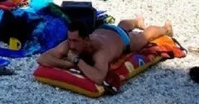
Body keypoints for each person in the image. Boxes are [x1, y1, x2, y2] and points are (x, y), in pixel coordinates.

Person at [37, 17, 173, 85]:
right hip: (104, 29)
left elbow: (98, 77)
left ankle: (166, 29)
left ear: (86, 39)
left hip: (122, 39)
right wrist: (67, 64)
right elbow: (42, 58)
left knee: (144, 37)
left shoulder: (100, 52)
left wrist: (77, 61)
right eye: (70, 40)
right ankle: (137, 21)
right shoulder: (71, 43)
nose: (71, 45)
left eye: (75, 41)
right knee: (122, 25)